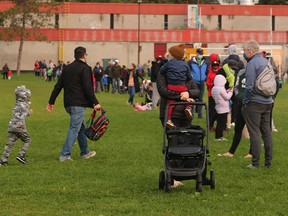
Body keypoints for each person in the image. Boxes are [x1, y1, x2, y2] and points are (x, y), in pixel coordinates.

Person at [47, 46, 101, 162]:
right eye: (86, 55)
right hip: (78, 104)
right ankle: (65, 155)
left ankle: (85, 151)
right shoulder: (85, 68)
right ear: (84, 55)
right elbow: (88, 87)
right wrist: (95, 103)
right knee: (74, 128)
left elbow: (58, 86)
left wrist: (51, 101)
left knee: (80, 127)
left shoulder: (67, 68)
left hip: (68, 104)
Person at [157, 67, 200, 188]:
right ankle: (174, 176)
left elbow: (196, 91)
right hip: (170, 114)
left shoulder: (187, 76)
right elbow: (163, 91)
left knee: (185, 143)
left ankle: (184, 171)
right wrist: (181, 96)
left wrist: (189, 93)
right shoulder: (163, 74)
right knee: (173, 143)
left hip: (185, 117)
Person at [241, 40, 274, 169]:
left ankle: (255, 163)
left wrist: (245, 102)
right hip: (268, 101)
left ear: (249, 50)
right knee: (267, 132)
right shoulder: (266, 62)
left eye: (244, 51)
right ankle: (268, 162)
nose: (244, 53)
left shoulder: (251, 64)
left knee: (254, 133)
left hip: (255, 102)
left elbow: (249, 86)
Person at [217, 68, 252, 157]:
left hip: (252, 105)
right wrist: (238, 96)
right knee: (238, 128)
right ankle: (231, 152)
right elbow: (236, 86)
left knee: (252, 130)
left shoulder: (257, 72)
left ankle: (252, 153)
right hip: (241, 104)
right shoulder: (241, 72)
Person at [159, 44, 193, 129]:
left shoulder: (169, 63)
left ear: (173, 55)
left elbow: (162, 71)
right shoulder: (185, 64)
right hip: (181, 87)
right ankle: (188, 107)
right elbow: (189, 77)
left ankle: (169, 119)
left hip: (171, 86)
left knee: (170, 103)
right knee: (187, 98)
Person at [0, 86, 33, 165]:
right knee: (27, 140)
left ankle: (3, 160)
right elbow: (23, 115)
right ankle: (21, 155)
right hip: (19, 126)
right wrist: (30, 112)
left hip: (11, 126)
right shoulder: (25, 105)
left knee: (10, 143)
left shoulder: (16, 104)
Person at [222, 44, 245, 126]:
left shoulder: (225, 61)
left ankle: (225, 119)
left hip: (227, 84)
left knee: (226, 102)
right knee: (236, 102)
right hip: (238, 84)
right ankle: (234, 119)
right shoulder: (241, 62)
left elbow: (222, 73)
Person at [188, 48, 209, 118]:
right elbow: (188, 71)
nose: (200, 55)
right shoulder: (191, 62)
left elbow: (207, 71)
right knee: (193, 98)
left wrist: (205, 77)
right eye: (199, 54)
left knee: (200, 98)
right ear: (196, 53)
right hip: (194, 82)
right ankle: (192, 114)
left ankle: (200, 114)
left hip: (202, 82)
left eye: (201, 54)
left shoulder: (205, 62)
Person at [212, 74, 233, 141]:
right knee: (221, 123)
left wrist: (226, 91)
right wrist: (231, 92)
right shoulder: (221, 88)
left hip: (218, 106)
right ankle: (218, 137)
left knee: (219, 123)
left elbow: (220, 95)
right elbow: (227, 97)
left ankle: (219, 136)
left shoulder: (214, 88)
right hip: (223, 108)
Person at [206, 54, 221, 132]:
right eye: (214, 65)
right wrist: (214, 84)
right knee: (212, 110)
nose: (215, 67)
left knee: (218, 110)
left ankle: (217, 125)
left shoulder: (220, 71)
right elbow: (207, 83)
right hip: (211, 94)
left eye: (216, 65)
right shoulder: (210, 73)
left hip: (219, 94)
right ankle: (210, 125)